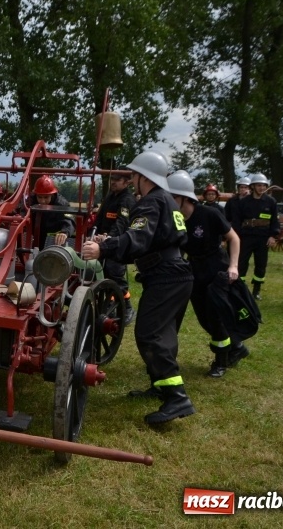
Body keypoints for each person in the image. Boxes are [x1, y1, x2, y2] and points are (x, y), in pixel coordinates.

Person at [81, 151, 194, 425]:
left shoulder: (151, 203)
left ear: (144, 177)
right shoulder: (166, 201)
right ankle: (161, 386)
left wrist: (103, 247)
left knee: (149, 334)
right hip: (175, 274)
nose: (132, 180)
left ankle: (177, 398)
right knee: (165, 335)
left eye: (134, 175)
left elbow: (138, 239)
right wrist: (114, 244)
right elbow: (145, 243)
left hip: (166, 277)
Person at [167, 170, 249, 378]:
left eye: (172, 197)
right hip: (194, 272)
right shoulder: (177, 219)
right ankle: (237, 347)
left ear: (184, 197)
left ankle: (221, 361)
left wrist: (233, 266)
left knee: (216, 318)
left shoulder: (209, 214)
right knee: (204, 319)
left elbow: (234, 238)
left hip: (215, 270)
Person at [93, 171, 137, 324]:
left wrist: (109, 238)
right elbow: (99, 218)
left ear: (126, 183)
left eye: (117, 180)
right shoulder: (110, 197)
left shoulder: (127, 200)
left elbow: (121, 222)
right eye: (112, 179)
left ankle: (128, 308)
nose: (113, 182)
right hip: (103, 242)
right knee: (101, 273)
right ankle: (108, 305)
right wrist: (94, 232)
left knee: (115, 275)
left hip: (118, 245)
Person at [231, 173, 279, 300]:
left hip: (263, 238)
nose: (261, 188)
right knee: (241, 263)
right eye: (259, 185)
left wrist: (273, 236)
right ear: (252, 186)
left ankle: (256, 290)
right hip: (246, 237)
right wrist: (236, 237)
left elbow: (274, 220)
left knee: (261, 264)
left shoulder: (271, 202)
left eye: (264, 185)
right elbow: (236, 221)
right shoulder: (244, 202)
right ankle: (239, 288)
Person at [28, 175, 75, 250]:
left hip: (54, 241)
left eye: (46, 197)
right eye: (39, 197)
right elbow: (22, 214)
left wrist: (65, 232)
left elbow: (69, 220)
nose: (43, 201)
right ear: (35, 194)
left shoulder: (62, 204)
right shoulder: (30, 201)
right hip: (35, 237)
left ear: (52, 194)